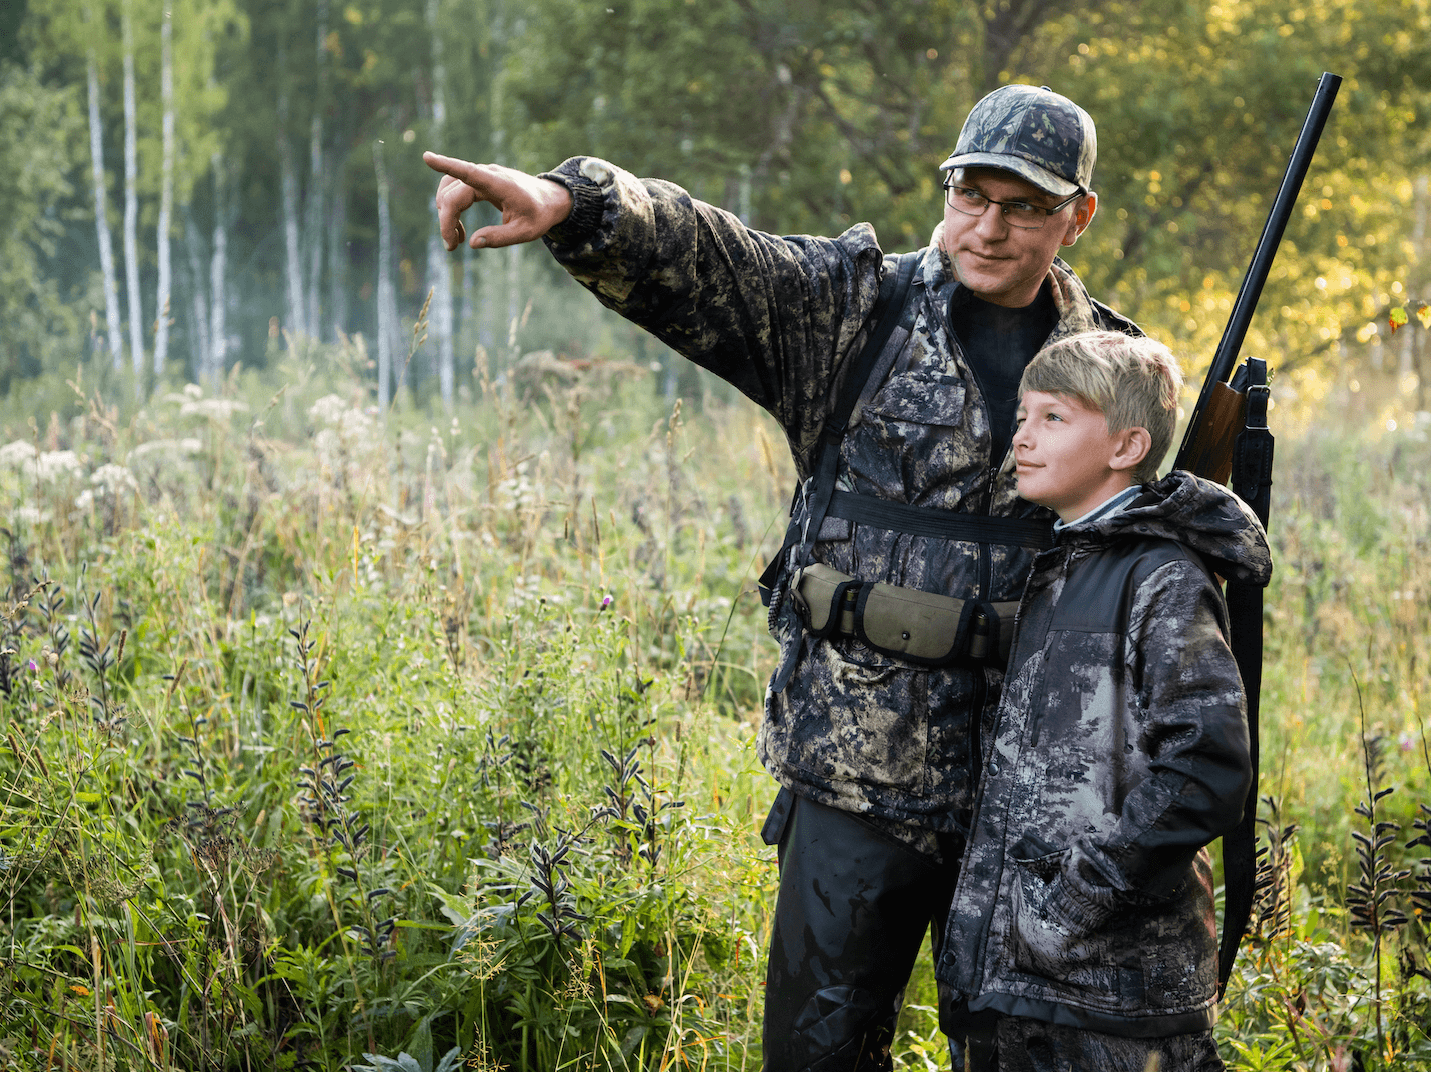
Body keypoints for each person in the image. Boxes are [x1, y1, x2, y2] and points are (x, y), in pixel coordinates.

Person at [424, 84, 1139, 1069]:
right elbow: (708, 251)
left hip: (1037, 799)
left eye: (1023, 205)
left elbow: (1161, 567)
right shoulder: (855, 310)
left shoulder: (1115, 369)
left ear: (1077, 216)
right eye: (970, 194)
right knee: (818, 1055)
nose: (988, 225)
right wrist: (576, 203)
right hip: (856, 781)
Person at [934, 331, 1272, 1070]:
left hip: (1110, 999)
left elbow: (1206, 769)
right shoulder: (1056, 564)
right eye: (1023, 416)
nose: (1022, 436)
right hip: (1017, 989)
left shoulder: (1162, 580)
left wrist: (1072, 905)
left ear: (1126, 446)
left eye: (1053, 417)